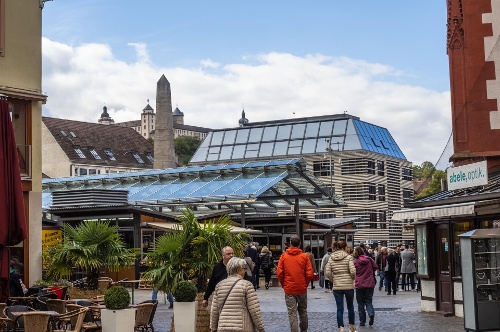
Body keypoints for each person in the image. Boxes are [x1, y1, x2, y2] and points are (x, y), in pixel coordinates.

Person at [210, 257, 265, 332]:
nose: (245, 271)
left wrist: (213, 327)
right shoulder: (247, 285)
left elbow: (214, 310)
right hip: (243, 327)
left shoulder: (219, 286)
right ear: (238, 270)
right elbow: (254, 310)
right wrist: (261, 328)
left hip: (223, 327)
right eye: (244, 268)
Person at [277, 235, 313, 332]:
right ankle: (304, 330)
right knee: (303, 311)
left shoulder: (284, 256)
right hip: (301, 288)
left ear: (290, 243)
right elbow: (309, 274)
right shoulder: (304, 257)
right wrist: (305, 283)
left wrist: (283, 284)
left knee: (292, 313)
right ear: (300, 244)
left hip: (289, 288)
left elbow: (279, 272)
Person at [325, 240, 356, 332]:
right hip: (348, 285)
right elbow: (353, 271)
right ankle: (351, 327)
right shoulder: (349, 257)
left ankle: (341, 328)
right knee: (350, 307)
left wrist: (333, 280)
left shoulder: (331, 258)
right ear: (344, 247)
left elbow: (327, 272)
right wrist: (352, 278)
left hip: (337, 285)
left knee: (339, 308)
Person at [353, 246, 378, 327]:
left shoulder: (355, 262)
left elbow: (353, 272)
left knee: (360, 304)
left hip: (359, 284)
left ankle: (362, 321)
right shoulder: (369, 259)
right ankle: (370, 313)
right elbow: (375, 267)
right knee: (368, 301)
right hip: (369, 283)